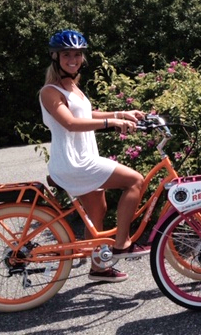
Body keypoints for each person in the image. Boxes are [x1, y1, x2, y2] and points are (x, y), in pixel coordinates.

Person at [39, 29, 150, 283]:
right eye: (67, 54)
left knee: (98, 210)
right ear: (55, 57)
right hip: (73, 162)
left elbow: (87, 113)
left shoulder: (72, 87)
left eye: (77, 55)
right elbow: (70, 123)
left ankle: (99, 267)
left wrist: (123, 113)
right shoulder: (50, 91)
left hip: (83, 158)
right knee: (134, 181)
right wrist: (112, 124)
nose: (73, 59)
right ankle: (122, 244)